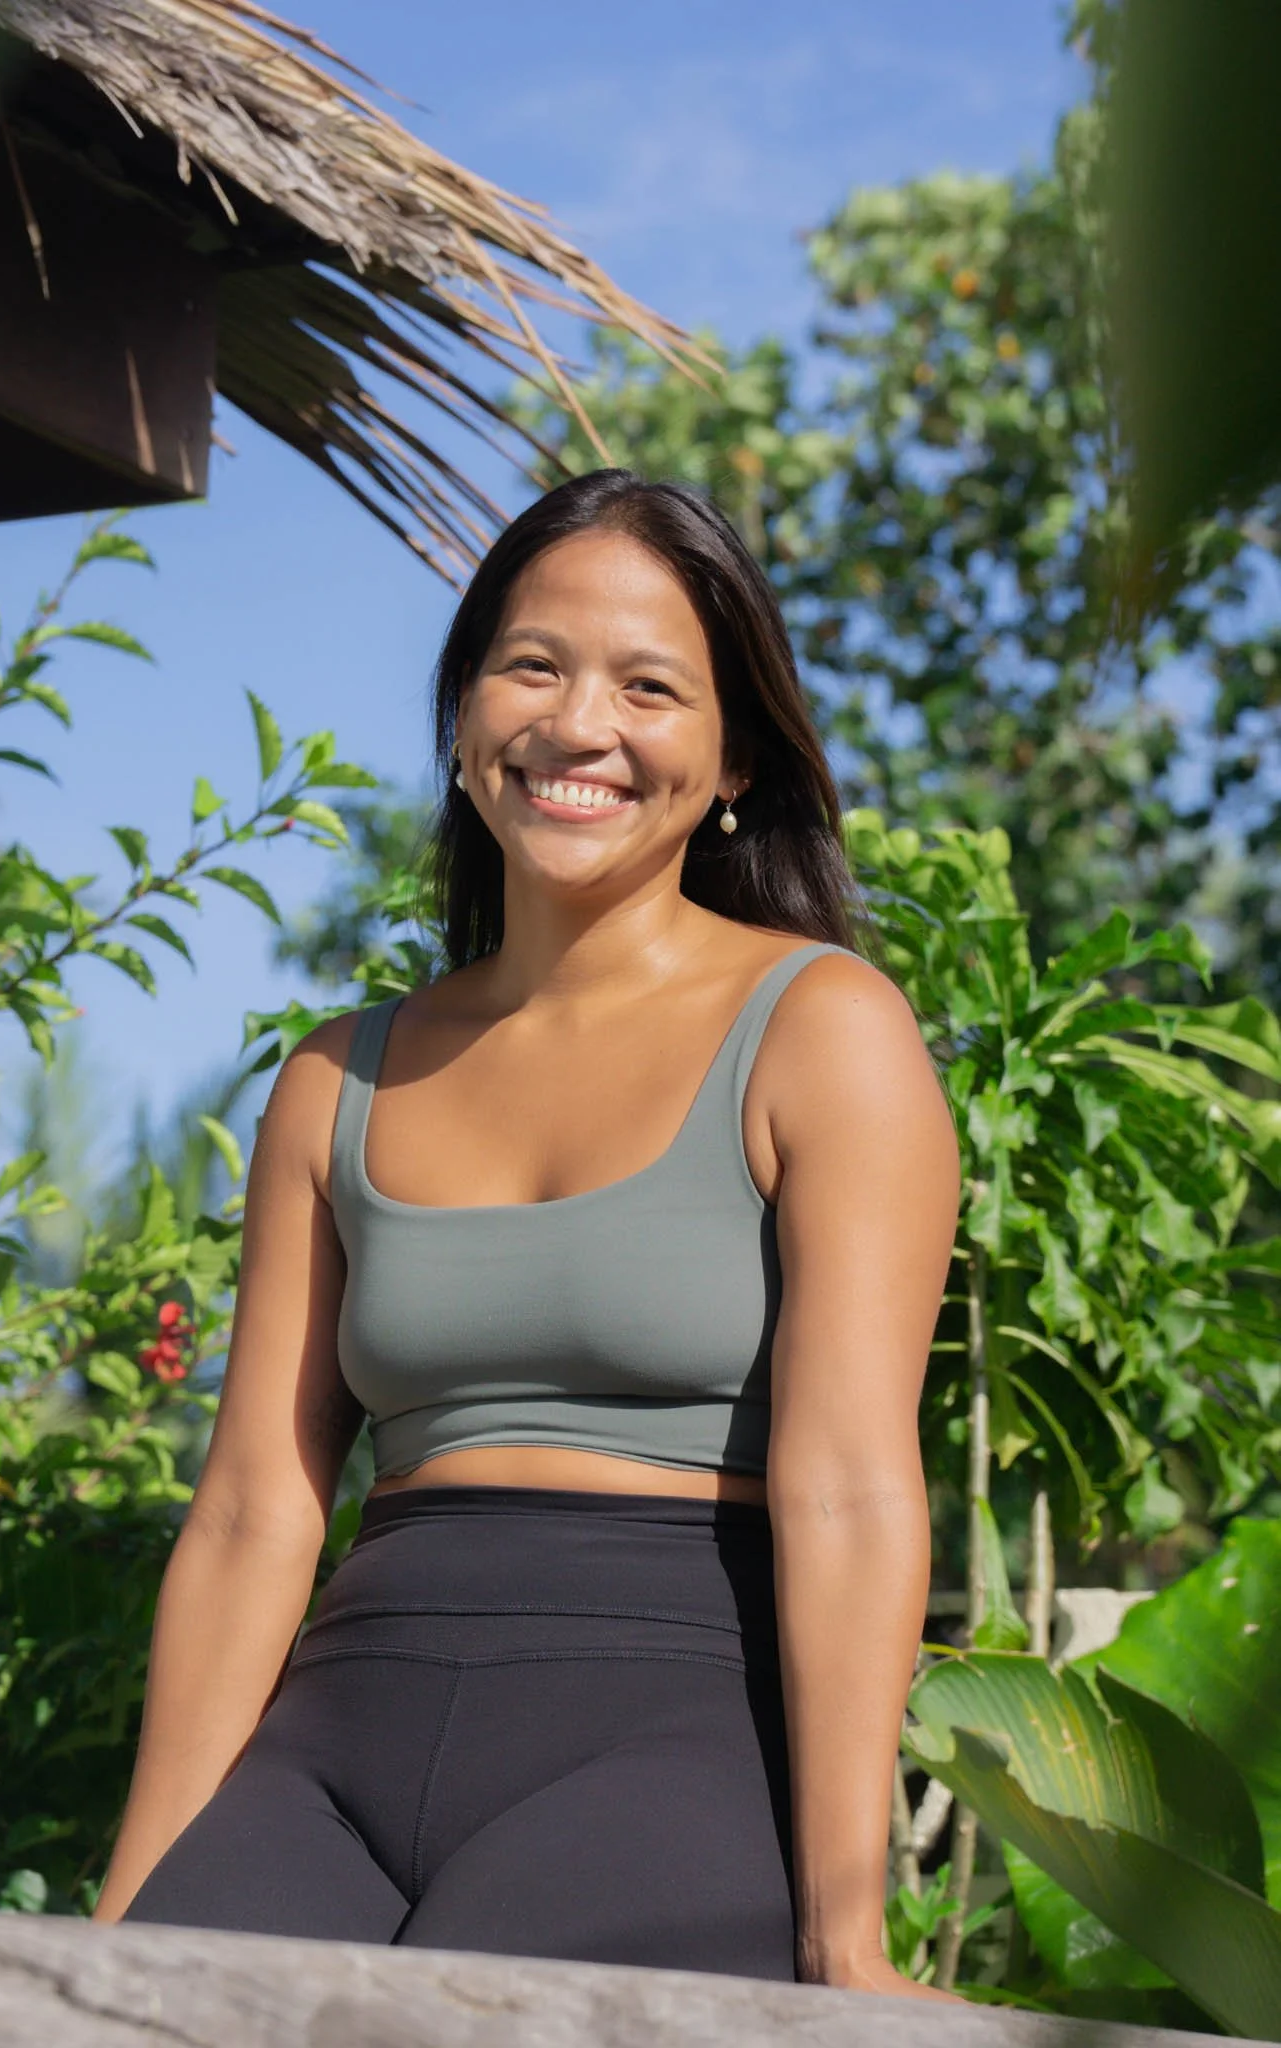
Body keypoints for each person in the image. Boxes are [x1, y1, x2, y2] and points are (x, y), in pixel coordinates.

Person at [95, 469, 961, 1998]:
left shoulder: (821, 1032)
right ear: (462, 715)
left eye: (650, 687)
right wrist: (119, 1926)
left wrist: (849, 1932)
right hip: (338, 1740)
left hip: (663, 1724)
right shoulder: (335, 1078)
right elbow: (250, 1512)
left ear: (736, 756)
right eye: (534, 666)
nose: (580, 728)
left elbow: (847, 1485)